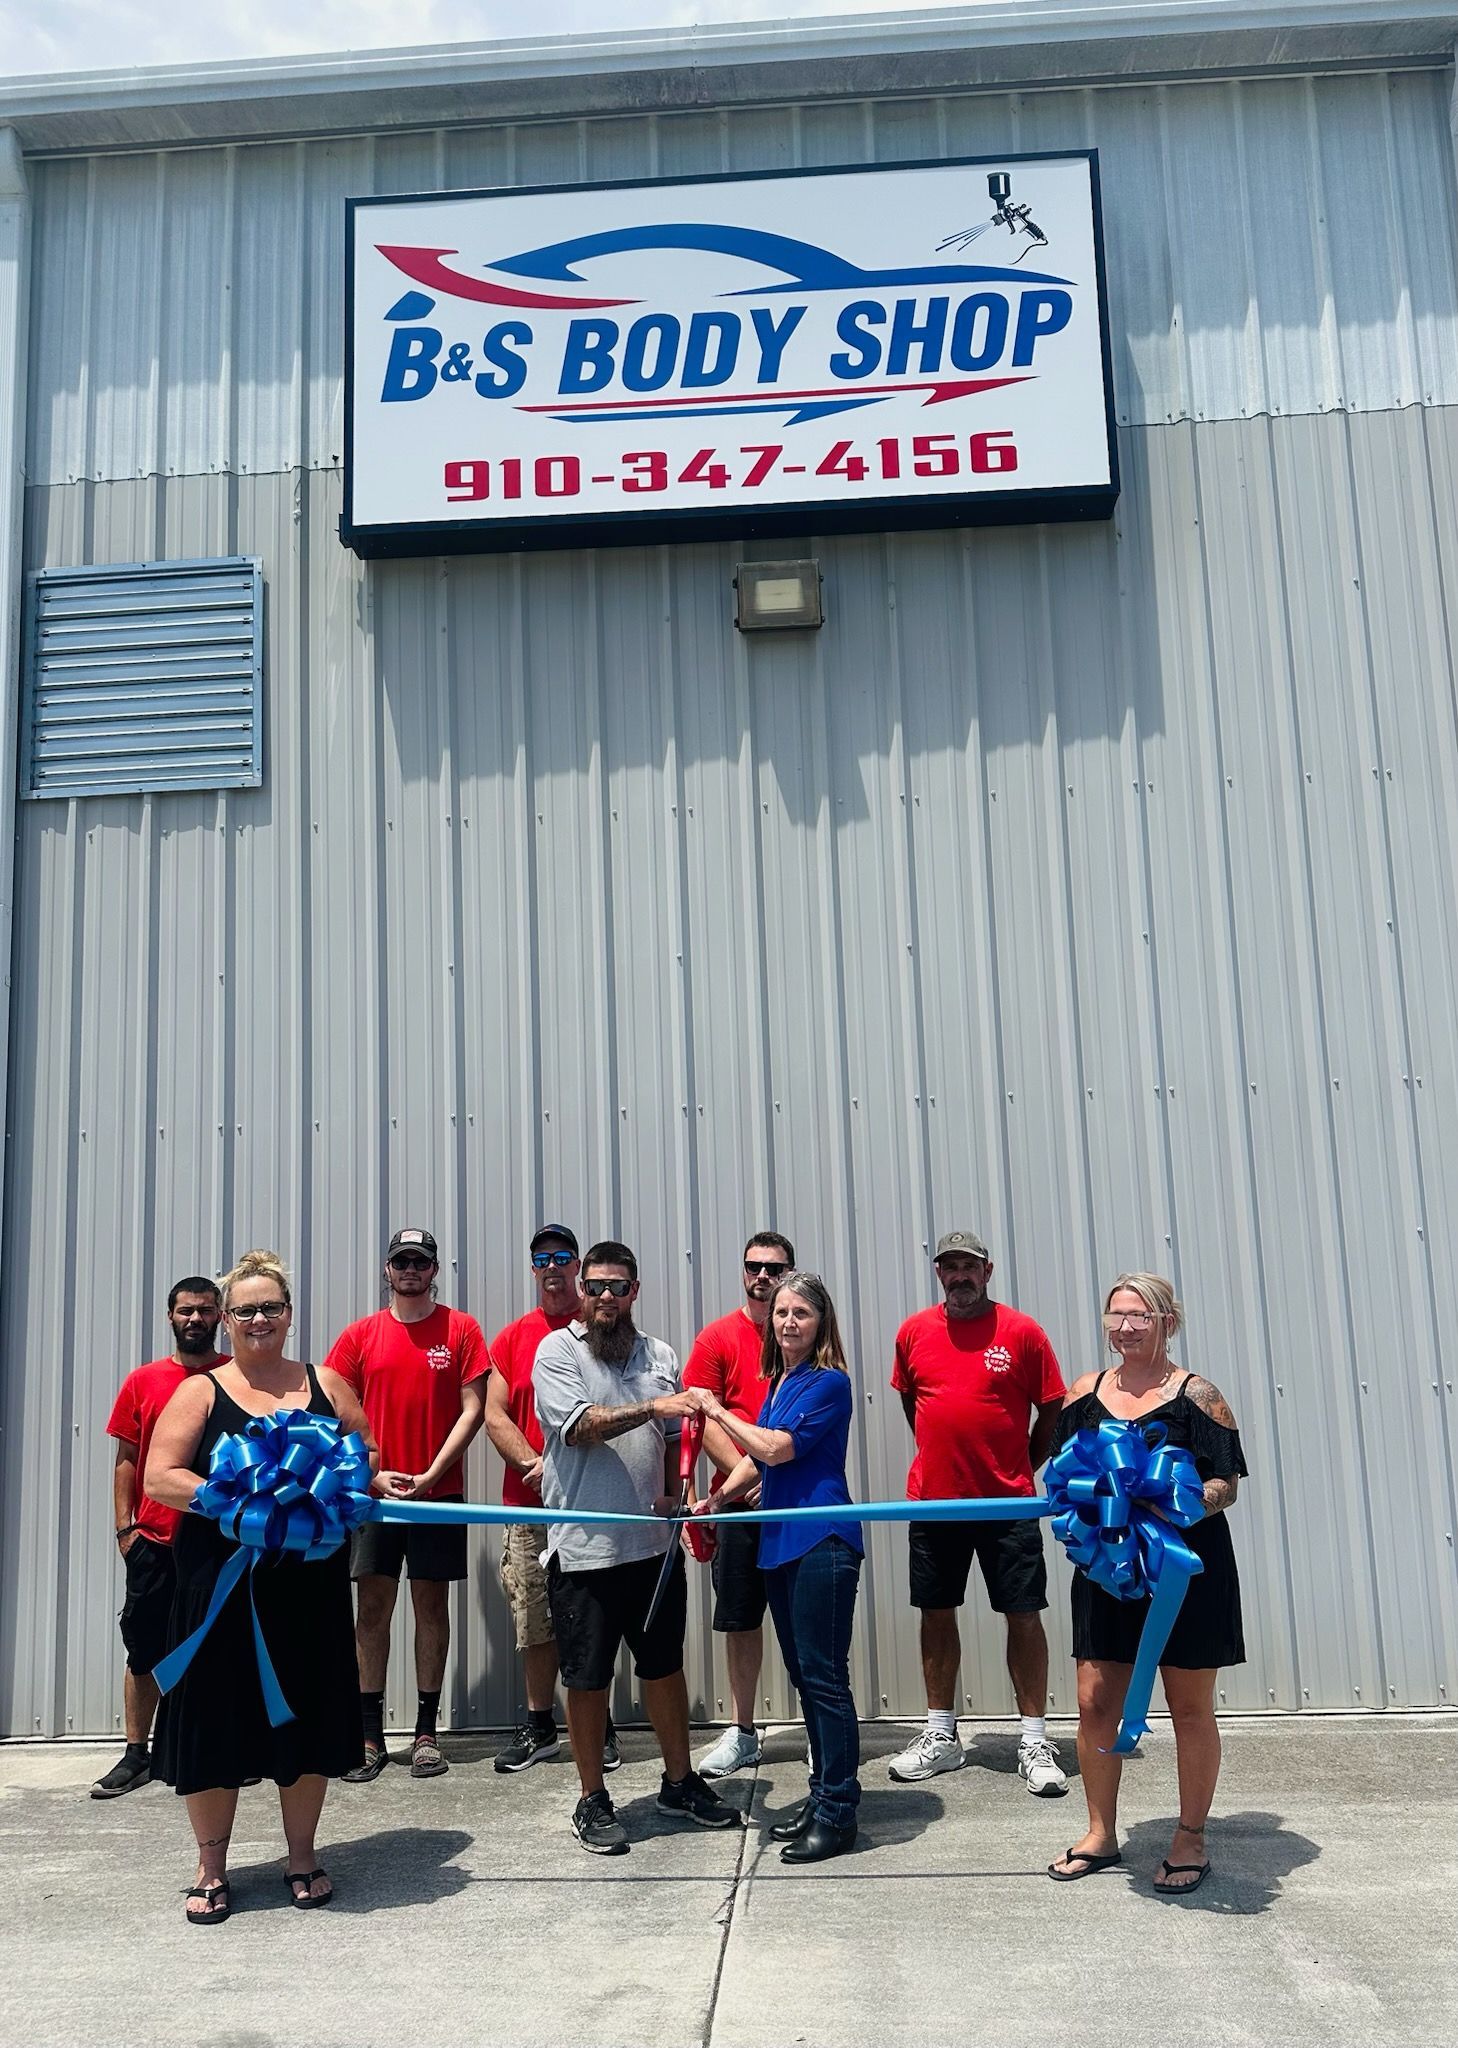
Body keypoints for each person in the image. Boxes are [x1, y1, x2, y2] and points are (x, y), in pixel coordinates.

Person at [145, 1250, 376, 1924]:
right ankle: (211, 1867)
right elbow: (162, 1475)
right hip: (221, 1592)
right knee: (215, 1722)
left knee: (305, 1719)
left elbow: (362, 1456)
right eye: (244, 1308)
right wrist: (244, 1501)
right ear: (225, 1319)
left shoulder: (326, 1382)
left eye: (270, 1307)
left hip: (307, 1593)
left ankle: (300, 1856)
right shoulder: (200, 1391)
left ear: (289, 1315)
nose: (257, 1318)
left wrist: (359, 1487)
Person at [532, 1239, 738, 1854]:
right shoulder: (556, 1351)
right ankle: (592, 1797)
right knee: (588, 1679)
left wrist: (705, 1492)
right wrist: (654, 1404)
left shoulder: (660, 1354)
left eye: (617, 1287)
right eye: (594, 1286)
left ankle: (679, 1782)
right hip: (585, 1551)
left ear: (634, 1292)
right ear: (580, 1289)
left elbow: (683, 1437)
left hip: (655, 1549)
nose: (604, 1298)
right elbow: (581, 1427)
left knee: (664, 1668)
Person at [1047, 1274, 1247, 1894]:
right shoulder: (1084, 1393)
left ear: (1167, 1322)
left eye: (1139, 1315)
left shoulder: (1199, 1395)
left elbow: (1228, 1484)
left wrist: (1170, 1503)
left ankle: (1190, 1837)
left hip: (1184, 1568)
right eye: (1116, 1315)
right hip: (1108, 1569)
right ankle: (1101, 1832)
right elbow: (1063, 1477)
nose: (1125, 1326)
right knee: (1093, 1701)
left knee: (1189, 1707)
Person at [688, 1270, 864, 1864]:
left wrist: (714, 1409)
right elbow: (754, 1464)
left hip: (821, 1541)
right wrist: (714, 1502)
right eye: (783, 1313)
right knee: (804, 1678)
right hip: (780, 1545)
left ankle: (839, 1810)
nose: (789, 1322)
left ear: (821, 1323)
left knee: (824, 1679)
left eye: (801, 1314)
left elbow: (774, 1448)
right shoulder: (781, 1381)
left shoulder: (829, 1382)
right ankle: (822, 1798)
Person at [888, 1229, 1069, 1794]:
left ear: (987, 1271)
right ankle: (942, 1736)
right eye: (949, 1267)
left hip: (1007, 1502)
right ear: (939, 1274)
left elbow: (1053, 1408)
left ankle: (1035, 1739)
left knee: (1022, 1613)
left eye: (969, 1266)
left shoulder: (1023, 1331)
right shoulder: (914, 1332)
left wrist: (1022, 1466)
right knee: (936, 1613)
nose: (959, 1276)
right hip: (936, 1503)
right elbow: (912, 1404)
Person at [325, 1226, 489, 1783]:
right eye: (402, 1261)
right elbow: (333, 1417)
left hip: (437, 1497)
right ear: (387, 1270)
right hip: (374, 1501)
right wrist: (371, 1477)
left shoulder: (462, 1329)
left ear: (435, 1269)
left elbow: (473, 1410)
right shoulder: (359, 1336)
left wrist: (432, 1474)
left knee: (431, 1610)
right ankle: (368, 1735)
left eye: (421, 1261)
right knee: (371, 1611)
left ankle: (425, 1732)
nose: (411, 1270)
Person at [484, 1223, 620, 1775]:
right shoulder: (514, 1337)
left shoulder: (604, 1333)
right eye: (544, 1258)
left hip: (590, 1503)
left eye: (564, 1257)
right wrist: (535, 1466)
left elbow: (619, 1407)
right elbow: (494, 1414)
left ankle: (600, 1726)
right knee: (534, 1619)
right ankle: (541, 1724)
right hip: (530, 1502)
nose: (554, 1266)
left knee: (596, 1617)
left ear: (579, 1269)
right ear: (534, 1268)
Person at [94, 1277, 226, 1798]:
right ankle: (136, 1753)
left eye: (205, 1311)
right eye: (186, 1311)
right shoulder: (143, 1381)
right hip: (154, 1540)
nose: (195, 1320)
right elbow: (128, 1461)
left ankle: (212, 1747)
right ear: (171, 1317)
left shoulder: (237, 1379)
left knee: (215, 1646)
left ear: (220, 1318)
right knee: (144, 1649)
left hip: (219, 1542)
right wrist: (125, 1529)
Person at [685, 1229, 796, 1780]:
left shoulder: (805, 1336)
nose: (762, 1277)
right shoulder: (716, 1339)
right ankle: (744, 1731)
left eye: (774, 1269)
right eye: (753, 1266)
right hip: (736, 1502)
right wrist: (739, 1476)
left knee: (803, 1618)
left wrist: (770, 1477)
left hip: (796, 1502)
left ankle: (821, 1728)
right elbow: (698, 1416)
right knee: (740, 1620)